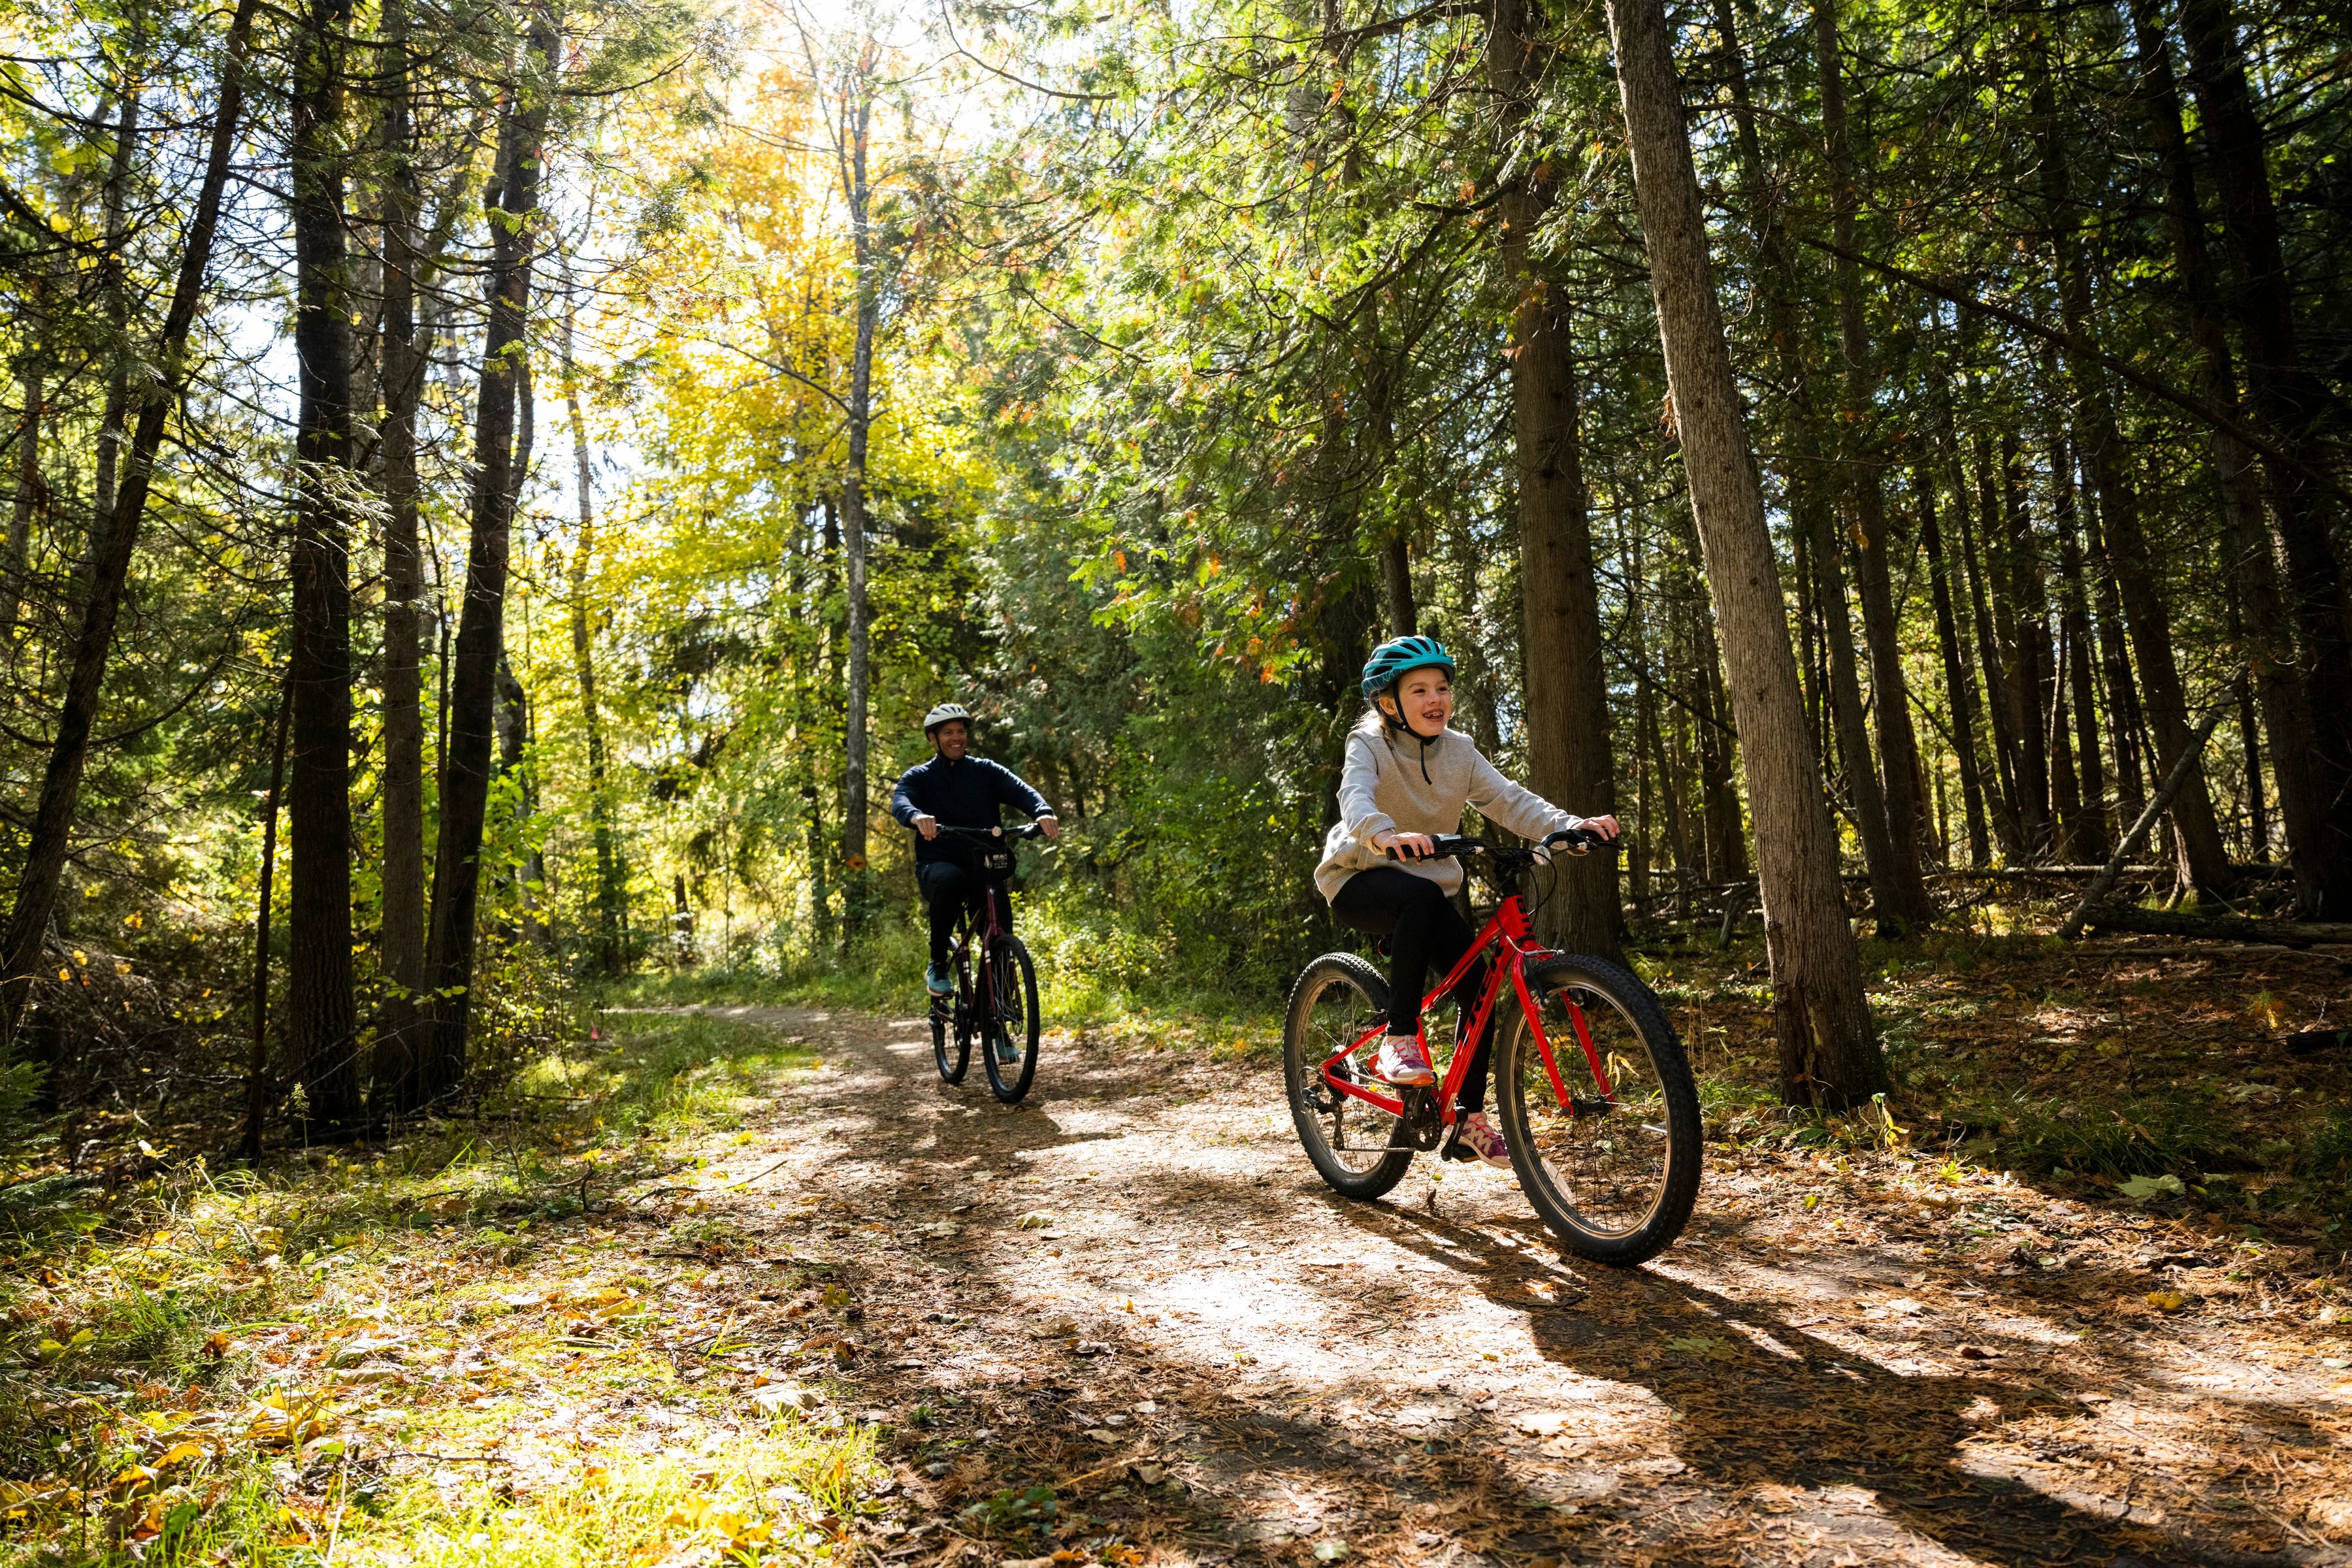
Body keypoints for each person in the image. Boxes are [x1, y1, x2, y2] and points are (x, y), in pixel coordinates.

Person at [1314, 636, 1618, 1168]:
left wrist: (1568, 826)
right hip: (1360, 877)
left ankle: (1467, 1119)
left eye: (1442, 688)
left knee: (1479, 986)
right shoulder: (1369, 743)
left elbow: (1507, 799)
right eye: (1419, 690)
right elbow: (1355, 796)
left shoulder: (1459, 749)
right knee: (1422, 893)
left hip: (1425, 893)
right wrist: (1383, 834)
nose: (1436, 699)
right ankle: (1399, 1036)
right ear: (1389, 703)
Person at [890, 704, 1060, 1052]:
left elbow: (1022, 790)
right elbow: (901, 801)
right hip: (938, 864)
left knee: (1001, 943)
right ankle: (938, 963)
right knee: (950, 880)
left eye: (961, 731)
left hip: (984, 864)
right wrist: (917, 816)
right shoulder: (919, 777)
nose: (956, 738)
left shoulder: (986, 771)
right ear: (934, 739)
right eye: (948, 732)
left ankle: (1000, 1024)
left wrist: (1042, 811)